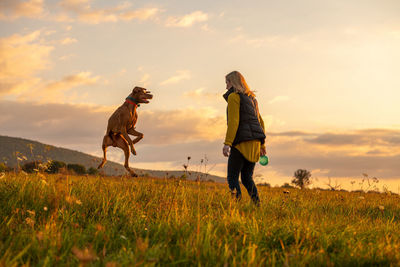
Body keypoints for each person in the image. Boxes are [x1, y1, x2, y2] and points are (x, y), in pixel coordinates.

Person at [222, 71, 266, 205]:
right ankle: (257, 205)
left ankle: (237, 205)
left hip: (241, 143)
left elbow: (234, 122)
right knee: (247, 178)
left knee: (232, 177)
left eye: (227, 83)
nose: (226, 87)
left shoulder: (234, 97)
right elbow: (261, 122)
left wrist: (227, 143)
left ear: (233, 82)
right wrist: (262, 145)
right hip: (255, 143)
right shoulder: (253, 99)